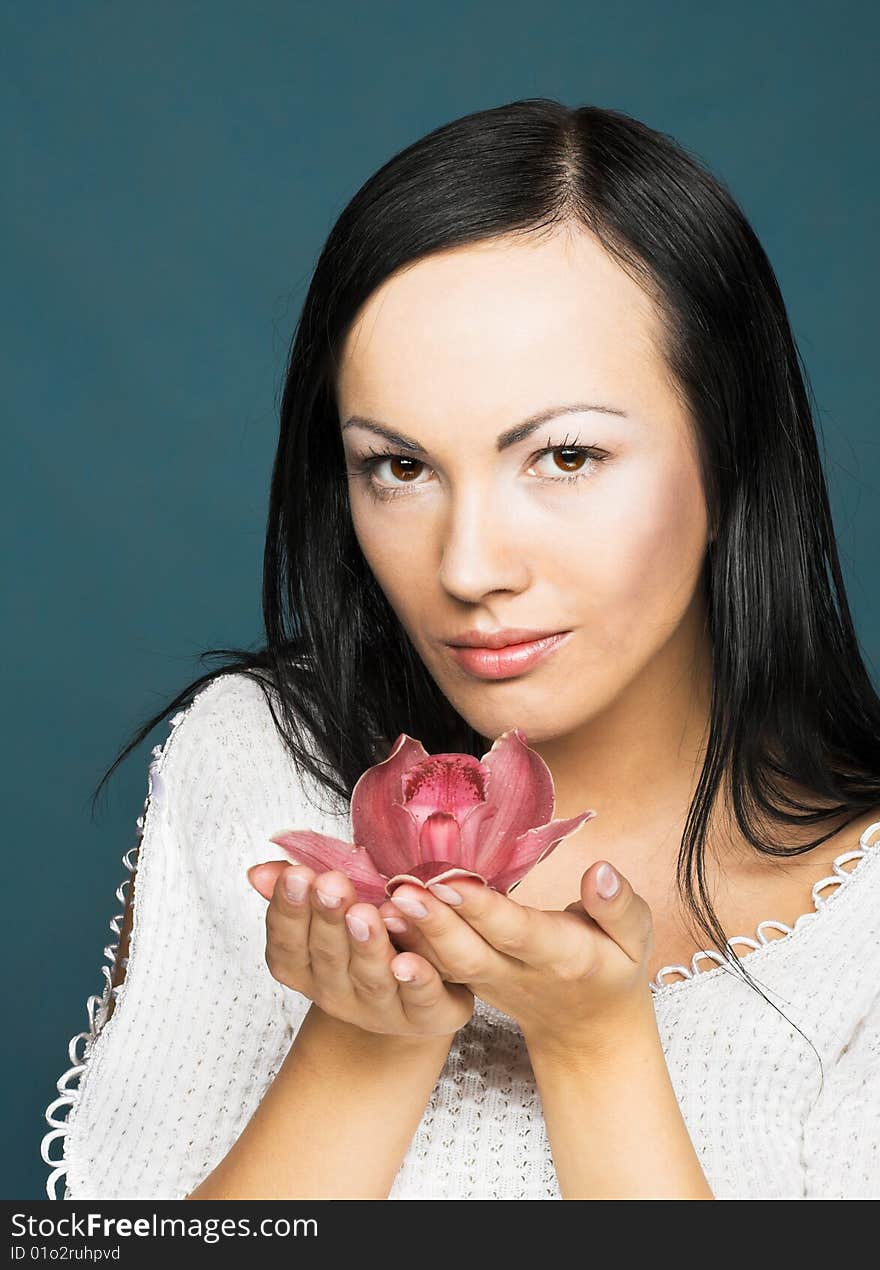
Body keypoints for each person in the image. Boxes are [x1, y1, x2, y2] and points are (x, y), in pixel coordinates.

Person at [41, 99, 880, 1201]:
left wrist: (594, 1047)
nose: (468, 565)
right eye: (397, 467)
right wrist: (367, 1039)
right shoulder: (253, 766)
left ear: (729, 461)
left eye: (566, 456)